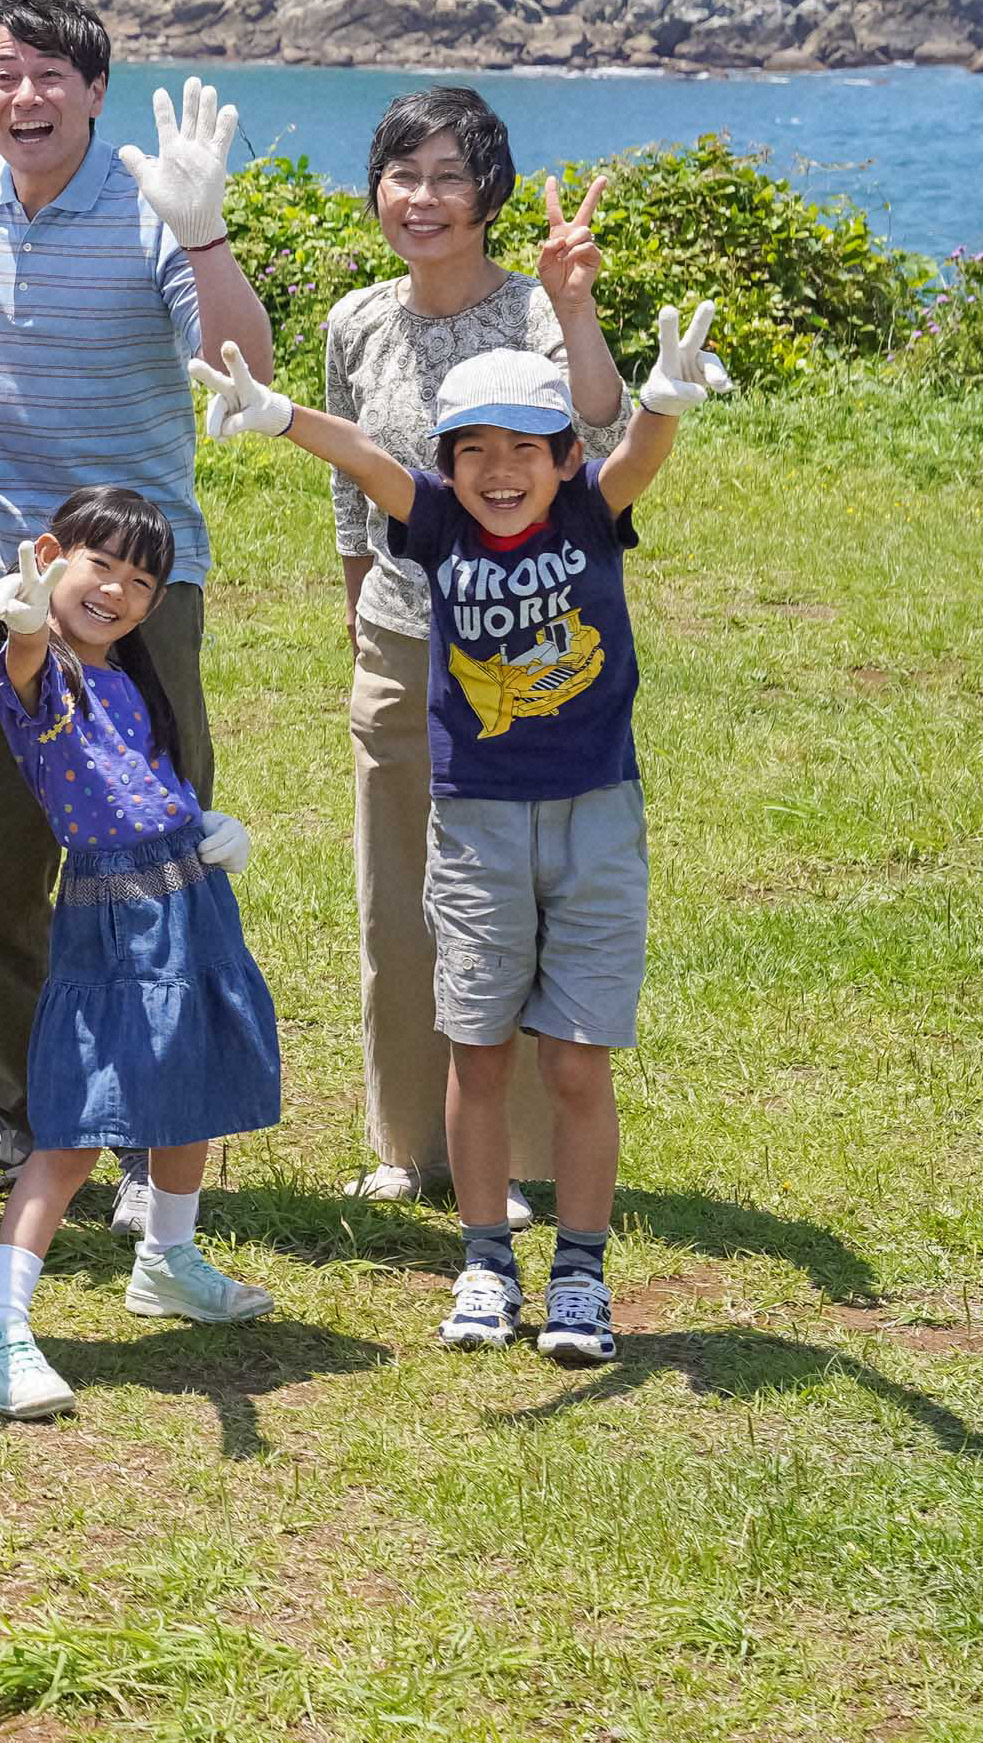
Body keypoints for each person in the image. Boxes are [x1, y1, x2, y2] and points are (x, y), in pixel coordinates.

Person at [195, 307, 726, 1364]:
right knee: (475, 1050)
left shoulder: (585, 513)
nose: (495, 471)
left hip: (594, 822)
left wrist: (660, 401)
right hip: (474, 826)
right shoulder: (434, 523)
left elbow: (634, 458)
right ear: (445, 464)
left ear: (559, 459)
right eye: (470, 450)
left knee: (575, 1062)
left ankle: (579, 1271)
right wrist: (275, 412)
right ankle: (485, 1261)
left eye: (521, 449)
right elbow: (361, 452)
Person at [0, 0, 275, 1216]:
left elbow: (242, 362)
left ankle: (150, 1134)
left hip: (139, 577)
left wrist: (201, 233)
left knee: (147, 851)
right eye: (0, 75)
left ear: (92, 89)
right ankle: (19, 1110)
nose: (22, 96)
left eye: (48, 76)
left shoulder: (146, 209)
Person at [320, 88, 626, 1219]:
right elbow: (354, 490)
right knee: (396, 899)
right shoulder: (354, 320)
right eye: (402, 174)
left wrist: (575, 306)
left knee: (527, 901)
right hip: (405, 645)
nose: (423, 199)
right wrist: (359, 608)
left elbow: (599, 426)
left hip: (534, 654)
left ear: (487, 192)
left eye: (448, 175)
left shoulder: (536, 313)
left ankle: (535, 1159)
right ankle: (405, 1143)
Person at [0, 488, 286, 1424]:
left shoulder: (128, 677)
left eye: (141, 581)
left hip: (189, 895)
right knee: (73, 1127)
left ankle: (168, 1261)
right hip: (109, 916)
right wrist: (20, 626)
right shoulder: (41, 673)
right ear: (51, 555)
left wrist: (205, 823)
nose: (117, 591)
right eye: (100, 565)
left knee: (191, 1076)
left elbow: (150, 776)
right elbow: (24, 658)